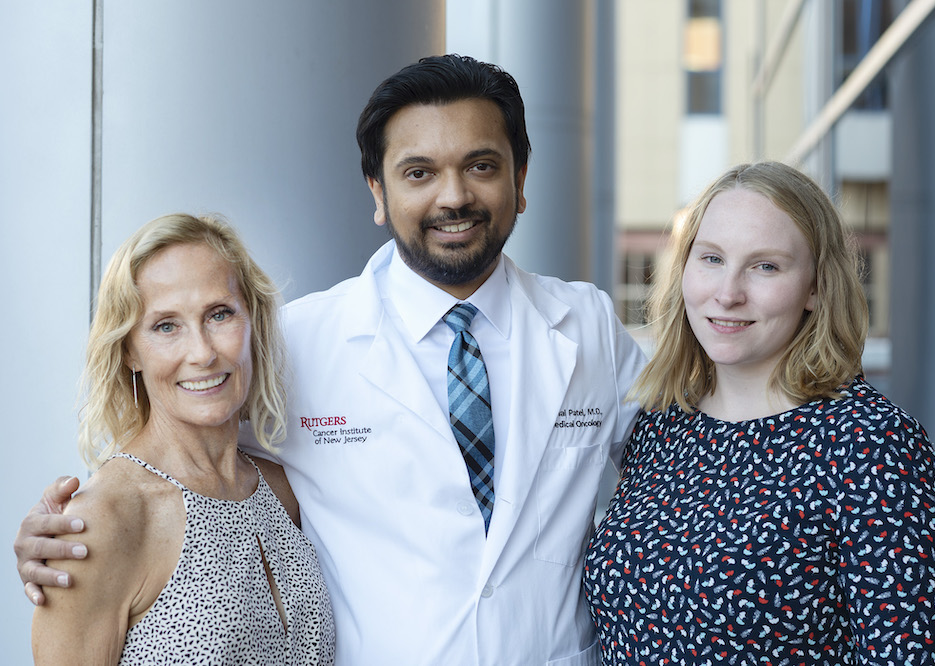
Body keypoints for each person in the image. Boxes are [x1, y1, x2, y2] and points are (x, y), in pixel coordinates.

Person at [17, 55, 647, 665]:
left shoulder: (587, 329)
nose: (453, 197)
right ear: (378, 191)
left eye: (481, 165)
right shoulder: (296, 344)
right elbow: (175, 446)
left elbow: (683, 469)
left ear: (521, 177)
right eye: (418, 172)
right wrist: (73, 531)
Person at [583, 162, 935, 665]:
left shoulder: (871, 445)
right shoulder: (662, 423)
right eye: (712, 258)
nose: (729, 292)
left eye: (766, 267)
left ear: (817, 287)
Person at [30, 214, 335, 664]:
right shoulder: (103, 520)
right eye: (166, 326)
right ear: (129, 350)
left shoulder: (281, 487)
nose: (203, 352)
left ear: (251, 321)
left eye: (219, 314)